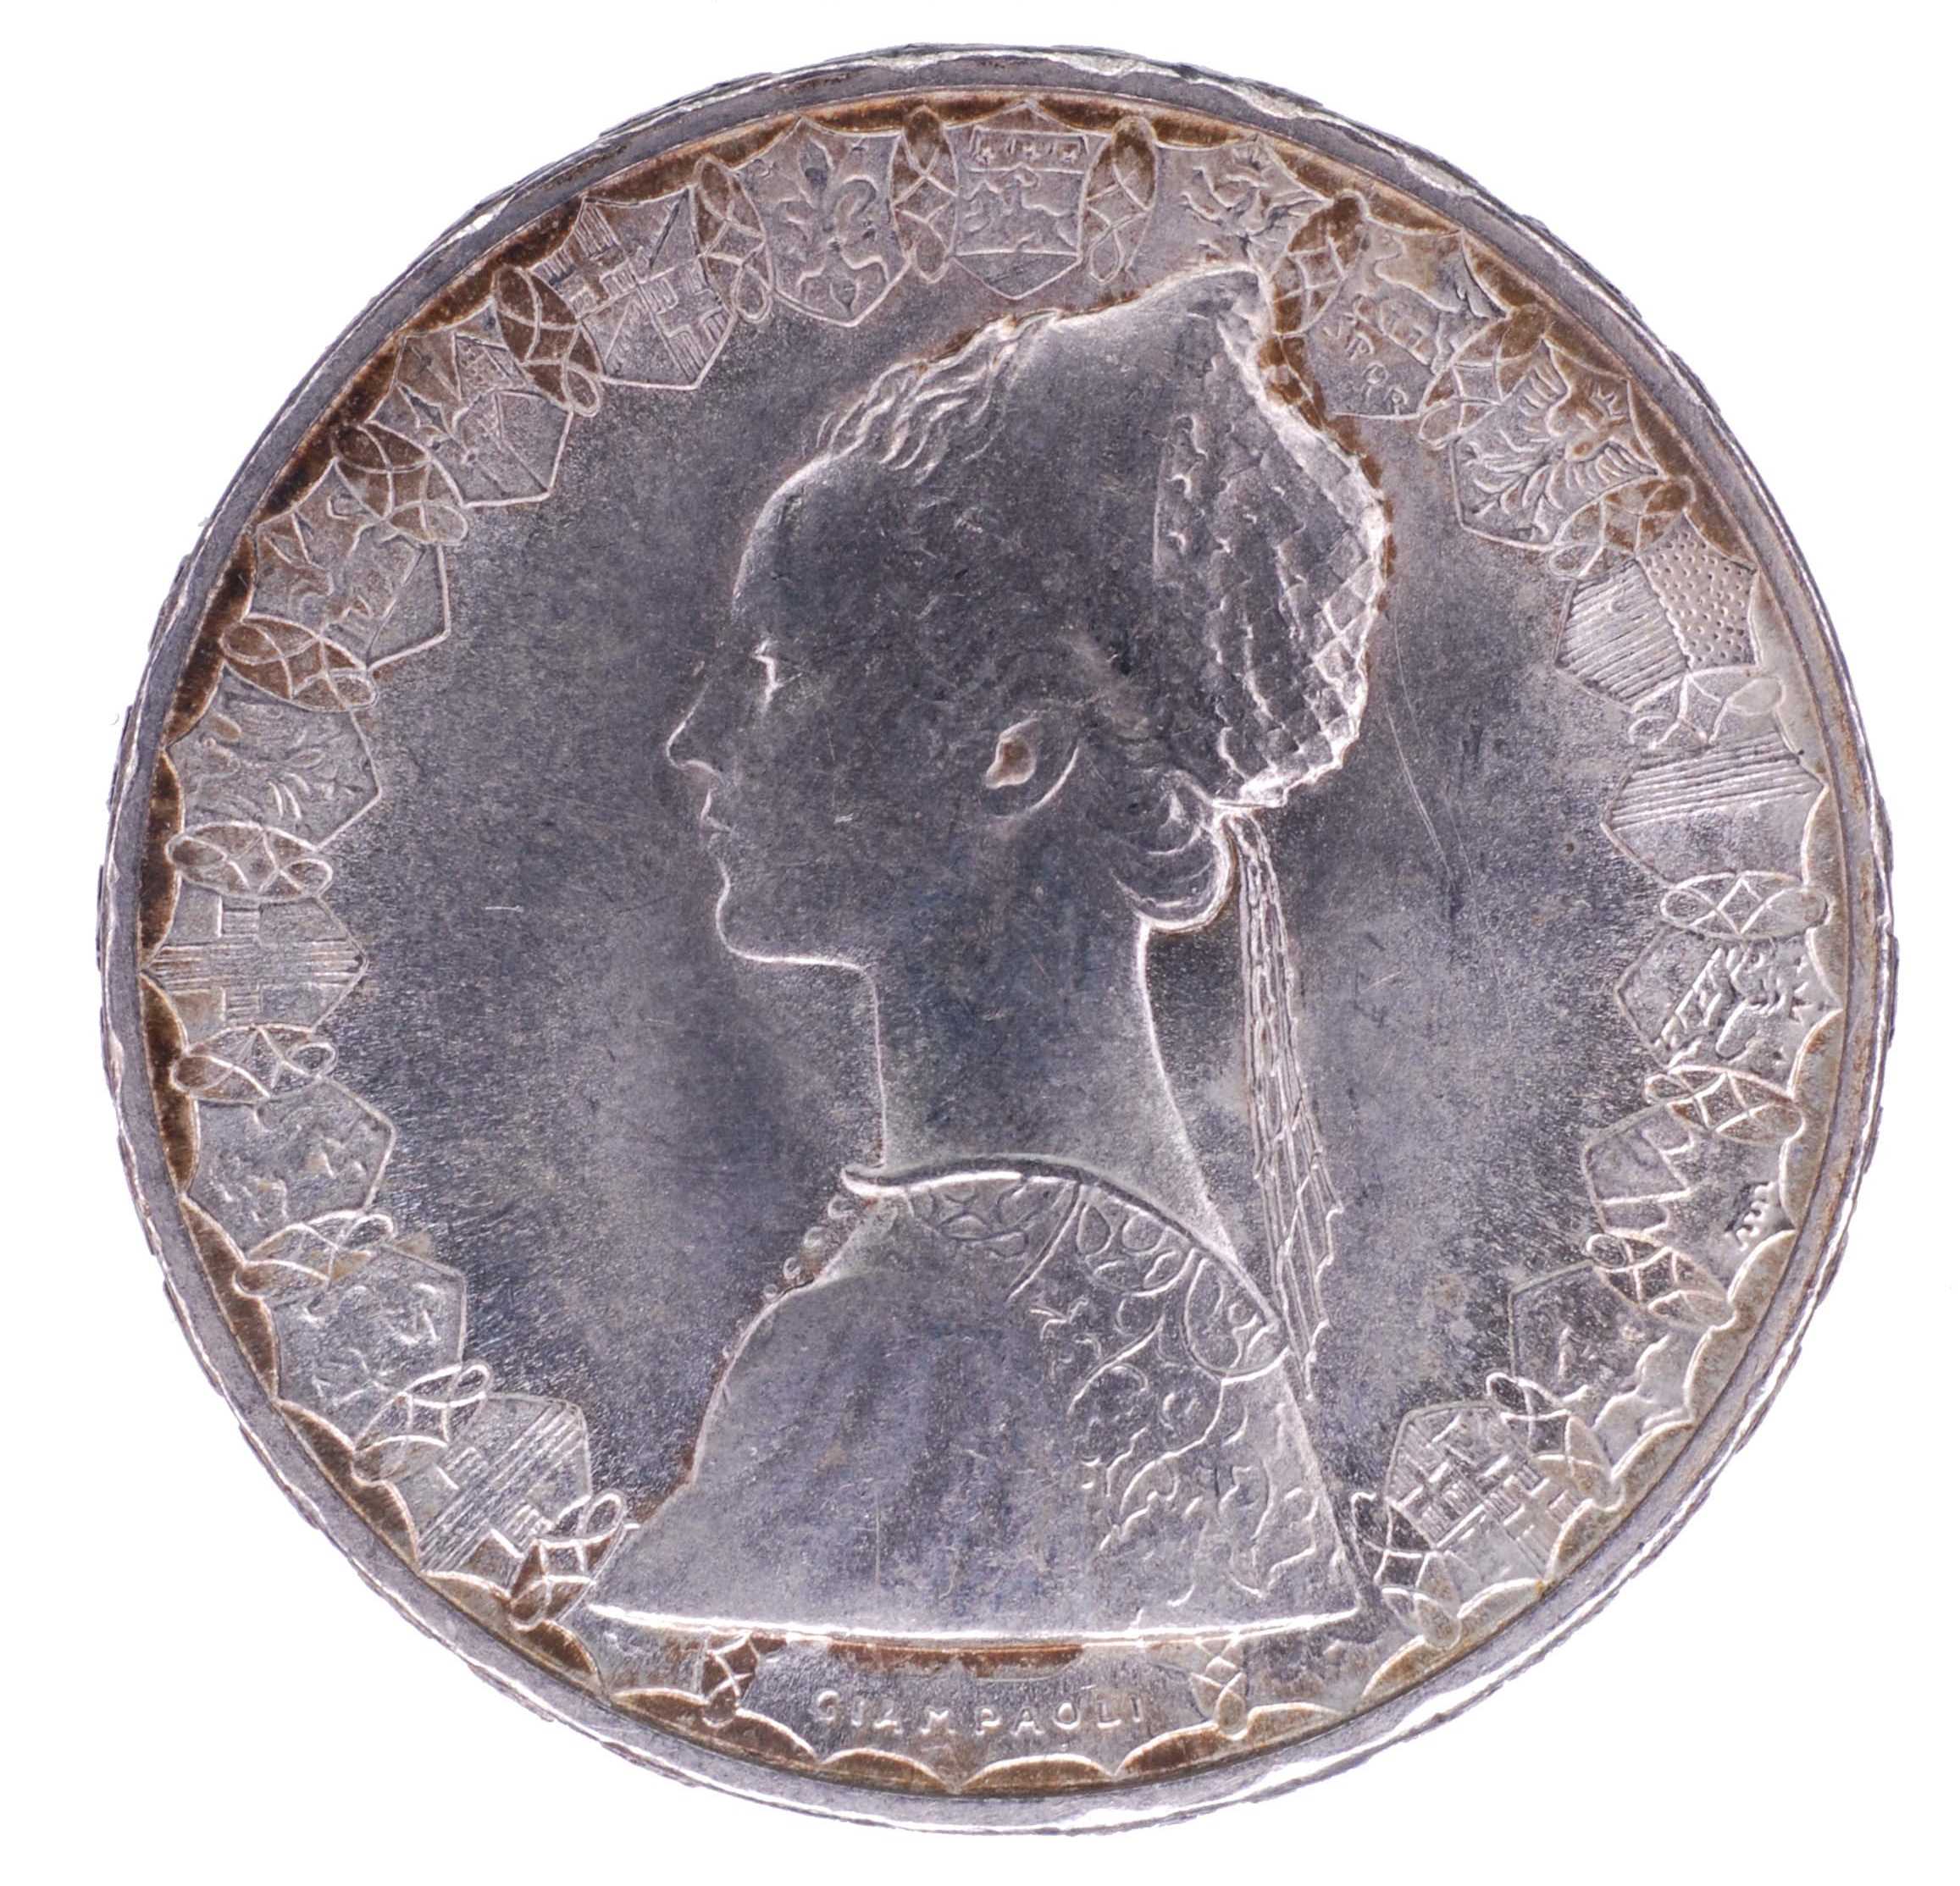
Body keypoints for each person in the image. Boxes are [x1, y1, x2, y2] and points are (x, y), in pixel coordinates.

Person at [584, 264, 1390, 1644]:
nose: (697, 740)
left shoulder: (898, 1350)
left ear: (1014, 754)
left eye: (775, 671)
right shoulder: (1153, 1288)